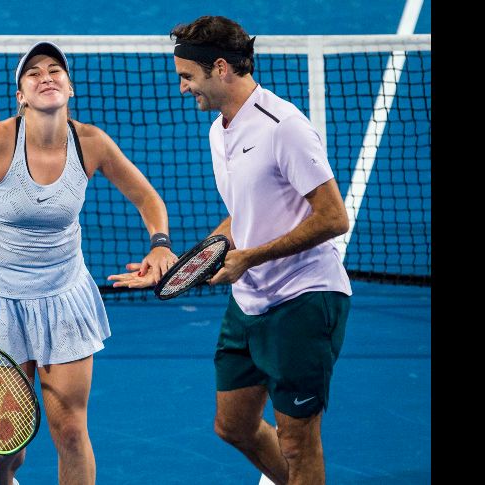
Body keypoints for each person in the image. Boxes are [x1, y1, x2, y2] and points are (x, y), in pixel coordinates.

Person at [108, 15, 352, 485]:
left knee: (299, 443)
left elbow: (333, 217)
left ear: (220, 68)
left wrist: (249, 259)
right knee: (233, 425)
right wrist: (187, 264)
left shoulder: (284, 127)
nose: (182, 88)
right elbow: (242, 217)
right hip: (250, 302)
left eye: (187, 76)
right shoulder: (219, 131)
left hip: (303, 300)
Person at [0, 41, 178, 485]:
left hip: (63, 296)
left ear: (70, 88)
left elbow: (147, 198)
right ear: (20, 95)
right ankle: (4, 480)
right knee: (8, 442)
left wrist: (159, 244)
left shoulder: (92, 143)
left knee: (70, 430)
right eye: (33, 73)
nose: (46, 77)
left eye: (55, 70)